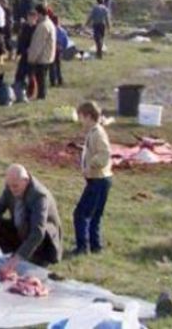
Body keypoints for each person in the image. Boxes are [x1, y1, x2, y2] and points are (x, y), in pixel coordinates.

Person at [0, 164, 63, 274]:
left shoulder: (39, 196)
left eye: (15, 186)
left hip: (43, 239)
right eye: (9, 186)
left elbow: (38, 231)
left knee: (27, 272)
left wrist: (18, 257)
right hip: (22, 228)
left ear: (25, 180)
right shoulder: (11, 186)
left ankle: (33, 258)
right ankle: (16, 252)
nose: (12, 189)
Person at [72, 101, 113, 256]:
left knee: (80, 214)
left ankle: (82, 247)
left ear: (89, 116)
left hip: (98, 180)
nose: (79, 120)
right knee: (95, 215)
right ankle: (96, 246)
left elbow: (104, 154)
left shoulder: (97, 133)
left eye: (81, 117)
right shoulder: (94, 132)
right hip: (103, 179)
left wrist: (91, 166)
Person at [27, 3, 56, 100]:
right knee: (42, 77)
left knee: (41, 78)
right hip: (48, 55)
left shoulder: (43, 26)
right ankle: (41, 94)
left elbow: (38, 44)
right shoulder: (49, 23)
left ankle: (41, 96)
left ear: (40, 13)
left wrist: (32, 58)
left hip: (42, 57)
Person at [14, 10, 38, 96]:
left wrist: (32, 50)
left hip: (32, 54)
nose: (30, 19)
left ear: (35, 18)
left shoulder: (37, 29)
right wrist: (18, 53)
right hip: (24, 53)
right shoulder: (24, 27)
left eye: (31, 17)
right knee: (19, 73)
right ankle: (18, 90)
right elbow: (20, 40)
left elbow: (37, 42)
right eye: (28, 17)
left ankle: (30, 93)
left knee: (31, 75)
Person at [50, 17, 68, 87]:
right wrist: (63, 48)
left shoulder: (51, 29)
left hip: (52, 49)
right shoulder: (63, 31)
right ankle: (59, 80)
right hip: (59, 50)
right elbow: (66, 41)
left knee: (52, 66)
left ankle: (53, 81)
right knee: (58, 66)